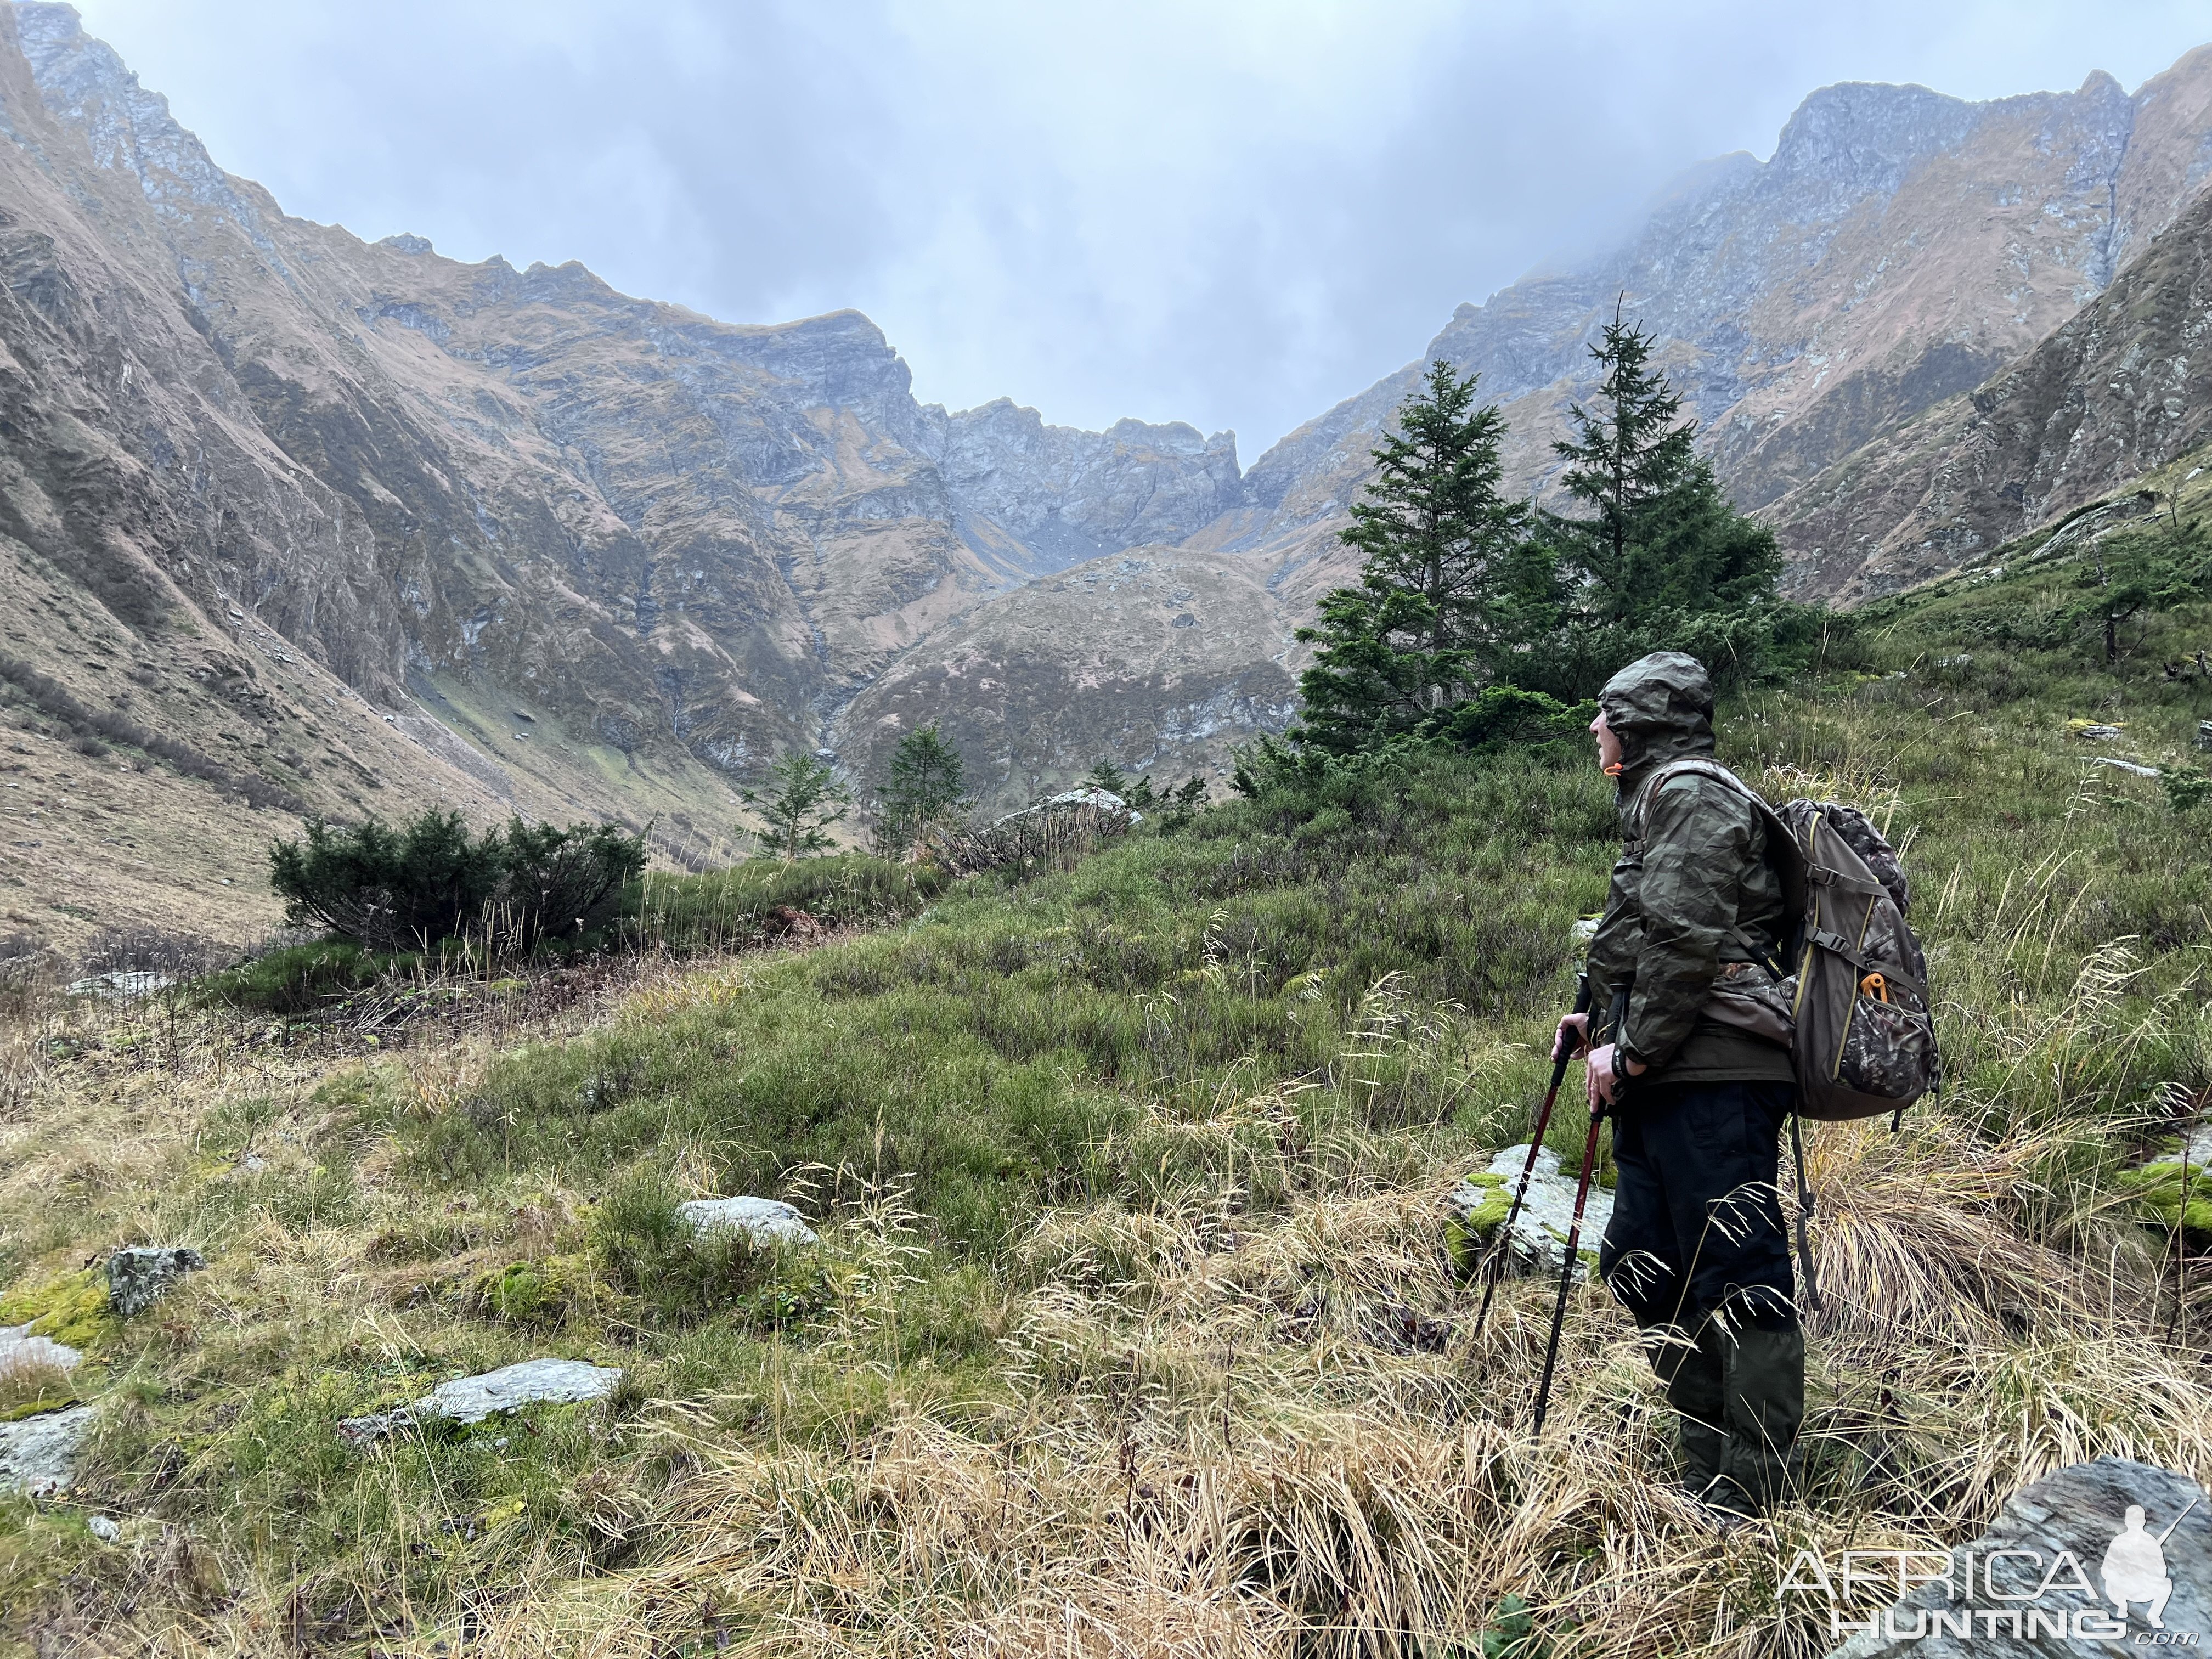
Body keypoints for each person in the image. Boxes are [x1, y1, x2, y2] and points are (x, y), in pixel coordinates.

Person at [1553, 651, 1801, 1519]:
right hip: (1671, 1068)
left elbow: (1688, 935)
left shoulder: (1692, 793)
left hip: (1716, 1068)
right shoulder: (1659, 798)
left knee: (1740, 1272)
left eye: (1606, 713)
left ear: (1642, 724)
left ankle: (1754, 1490)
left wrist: (1635, 1052)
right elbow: (1641, 925)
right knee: (1639, 1263)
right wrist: (1598, 1020)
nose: (1594, 728)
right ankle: (1709, 1460)